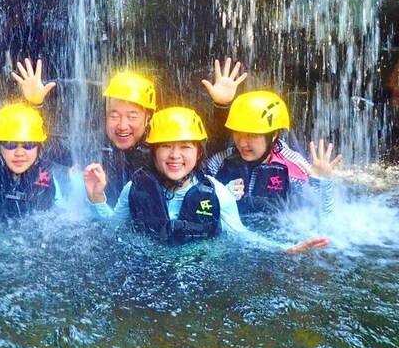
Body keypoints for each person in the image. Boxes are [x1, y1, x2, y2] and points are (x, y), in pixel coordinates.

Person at [83, 106, 328, 252]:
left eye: (185, 147)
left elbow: (241, 236)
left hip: (198, 272)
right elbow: (113, 226)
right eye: (166, 146)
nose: (175, 156)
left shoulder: (218, 193)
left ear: (198, 153)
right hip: (147, 271)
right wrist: (97, 199)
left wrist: (284, 249)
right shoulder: (134, 187)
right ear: (153, 151)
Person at [14, 58, 155, 207]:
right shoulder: (95, 146)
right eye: (114, 116)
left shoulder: (159, 153)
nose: (122, 125)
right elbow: (45, 148)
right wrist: (36, 105)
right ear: (105, 115)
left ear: (148, 118)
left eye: (132, 116)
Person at [202, 74, 343, 218]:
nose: (242, 143)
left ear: (274, 135)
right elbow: (194, 190)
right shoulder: (220, 161)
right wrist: (221, 107)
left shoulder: (293, 165)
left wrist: (322, 184)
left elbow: (323, 217)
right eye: (237, 133)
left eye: (252, 135)